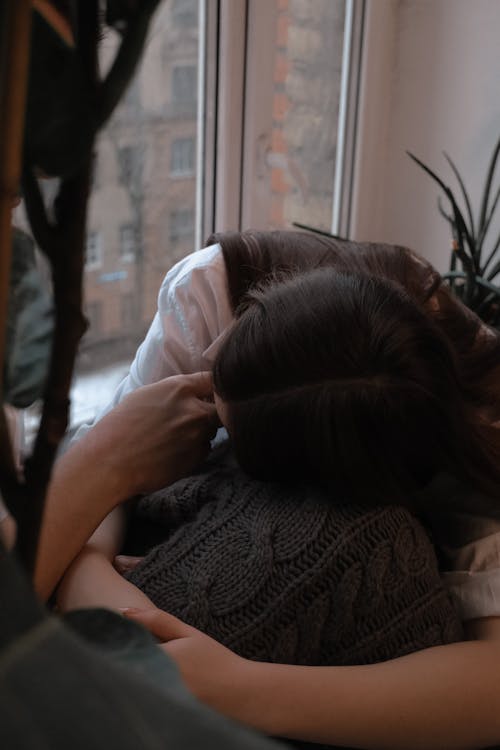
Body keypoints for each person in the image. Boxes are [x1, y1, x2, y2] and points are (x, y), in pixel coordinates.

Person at [35, 230, 500, 749]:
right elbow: (114, 458)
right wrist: (88, 555)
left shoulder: (474, 435)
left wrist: (240, 687)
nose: (205, 371)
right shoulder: (212, 294)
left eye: (223, 430)